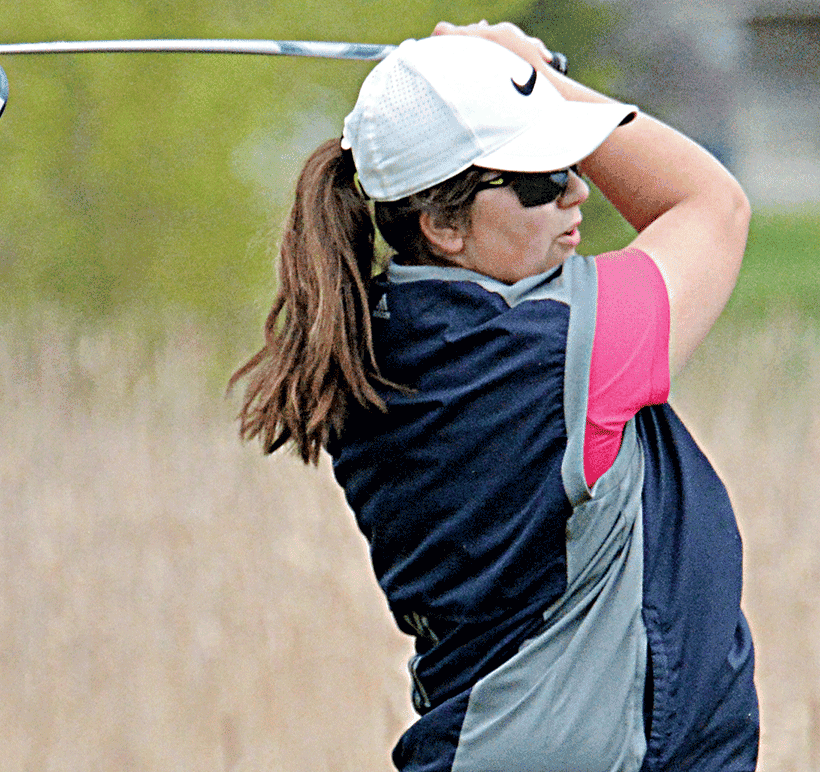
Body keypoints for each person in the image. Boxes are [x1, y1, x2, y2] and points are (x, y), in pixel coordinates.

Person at [231, 20, 758, 772]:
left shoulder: (366, 340)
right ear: (443, 224)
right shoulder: (560, 353)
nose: (577, 189)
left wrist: (519, 92)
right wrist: (538, 74)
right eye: (542, 177)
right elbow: (711, 204)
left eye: (570, 160)